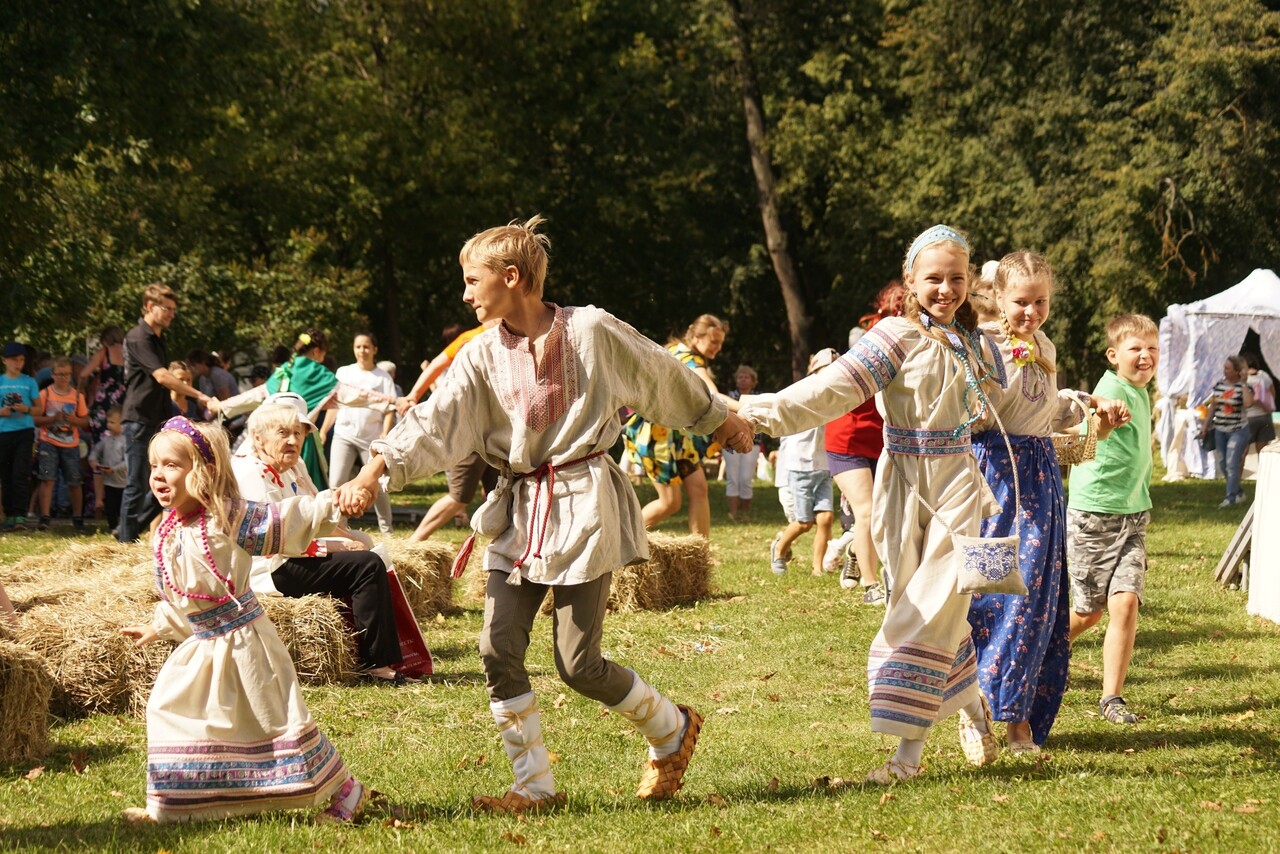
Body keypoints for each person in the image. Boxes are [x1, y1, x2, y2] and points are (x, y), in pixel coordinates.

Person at [335, 215, 753, 813]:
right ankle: (534, 787)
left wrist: (721, 417)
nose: (465, 292)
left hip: (583, 504)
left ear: (512, 277)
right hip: (518, 511)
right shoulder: (481, 356)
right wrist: (375, 469)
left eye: (472, 279)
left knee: (578, 665)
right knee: (495, 646)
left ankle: (671, 727)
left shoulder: (590, 331)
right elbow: (435, 420)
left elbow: (659, 373)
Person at [739, 224, 1004, 784]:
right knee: (925, 605)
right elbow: (829, 391)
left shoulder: (975, 343)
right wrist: (751, 411)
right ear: (911, 279)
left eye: (957, 278)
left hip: (958, 485)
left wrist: (1079, 413)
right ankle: (974, 705)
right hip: (902, 486)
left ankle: (906, 760)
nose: (946, 289)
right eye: (933, 278)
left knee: (928, 610)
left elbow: (1009, 417)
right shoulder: (893, 338)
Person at [118, 417, 369, 824]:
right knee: (169, 708)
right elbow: (183, 596)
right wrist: (159, 624)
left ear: (203, 471)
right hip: (203, 645)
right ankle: (169, 806)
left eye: (171, 466)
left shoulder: (226, 518)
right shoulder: (165, 531)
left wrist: (333, 500)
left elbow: (286, 517)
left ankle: (347, 793)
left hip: (245, 641)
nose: (159, 476)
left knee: (276, 721)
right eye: (154, 467)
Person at [966, 252, 1130, 753]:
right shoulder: (982, 347)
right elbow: (979, 414)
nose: (1031, 312)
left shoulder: (1044, 345)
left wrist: (1087, 407)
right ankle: (980, 711)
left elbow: (1044, 409)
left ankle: (1021, 721)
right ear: (998, 297)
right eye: (1021, 302)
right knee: (994, 592)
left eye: (1041, 302)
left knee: (1039, 600)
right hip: (997, 475)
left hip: (1039, 480)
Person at [233, 396, 405, 682]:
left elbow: (311, 516)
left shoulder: (287, 465)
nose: (293, 440)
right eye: (283, 433)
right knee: (366, 565)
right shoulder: (251, 474)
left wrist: (345, 530)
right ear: (258, 438)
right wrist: (337, 544)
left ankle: (380, 647)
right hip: (269, 570)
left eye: (298, 433)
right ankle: (376, 662)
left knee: (364, 546)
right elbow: (275, 540)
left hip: (288, 555)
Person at [1066, 314, 1160, 725]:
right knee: (1087, 613)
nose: (1145, 356)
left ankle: (1111, 698)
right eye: (1135, 348)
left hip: (1134, 513)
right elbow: (1096, 415)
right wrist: (1105, 415)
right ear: (1113, 355)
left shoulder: (1142, 391)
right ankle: (1042, 650)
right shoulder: (1112, 389)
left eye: (1152, 348)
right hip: (1095, 513)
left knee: (1124, 604)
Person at [219, 330, 393, 490]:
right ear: (317, 351)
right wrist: (391, 401)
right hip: (299, 440)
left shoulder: (284, 370)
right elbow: (351, 394)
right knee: (305, 486)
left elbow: (255, 395)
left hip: (270, 440)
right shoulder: (315, 372)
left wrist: (222, 405)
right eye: (323, 355)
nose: (322, 360)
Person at [118, 284, 216, 543]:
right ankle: (124, 542)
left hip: (155, 418)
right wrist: (199, 395)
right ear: (150, 307)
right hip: (138, 418)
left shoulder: (157, 338)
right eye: (168, 309)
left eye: (174, 309)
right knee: (137, 484)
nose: (173, 314)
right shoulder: (139, 336)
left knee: (158, 486)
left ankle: (127, 531)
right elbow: (162, 376)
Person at [623, 314, 736, 538]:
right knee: (670, 503)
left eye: (721, 343)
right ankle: (623, 542)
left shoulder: (680, 352)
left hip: (678, 440)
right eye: (714, 341)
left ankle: (700, 554)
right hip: (657, 438)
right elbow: (713, 395)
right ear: (696, 336)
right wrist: (745, 408)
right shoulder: (688, 359)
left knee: (699, 489)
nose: (718, 348)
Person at [396, 321, 501, 543]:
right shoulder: (472, 338)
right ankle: (413, 543)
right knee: (459, 498)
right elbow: (436, 365)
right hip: (470, 433)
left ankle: (502, 552)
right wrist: (413, 396)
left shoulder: (519, 332)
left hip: (498, 436)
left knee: (500, 494)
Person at [768, 349, 838, 577]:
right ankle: (779, 548)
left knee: (826, 518)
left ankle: (817, 568)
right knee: (804, 523)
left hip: (823, 466)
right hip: (799, 467)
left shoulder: (838, 397)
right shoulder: (801, 394)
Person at [322, 333, 397, 535]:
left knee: (378, 486)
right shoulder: (343, 373)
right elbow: (334, 405)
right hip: (344, 435)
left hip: (371, 440)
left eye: (366, 347)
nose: (362, 351)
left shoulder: (383, 377)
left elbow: (390, 408)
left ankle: (386, 531)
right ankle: (337, 527)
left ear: (374, 350)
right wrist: (324, 430)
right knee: (336, 482)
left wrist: (384, 434)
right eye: (358, 347)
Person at [32, 357, 91, 531]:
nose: (63, 378)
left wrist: (74, 420)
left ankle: (77, 517)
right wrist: (51, 419)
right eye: (59, 374)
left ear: (71, 375)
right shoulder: (45, 394)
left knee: (74, 481)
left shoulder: (77, 396)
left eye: (66, 374)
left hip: (70, 443)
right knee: (47, 479)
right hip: (48, 441)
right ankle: (44, 517)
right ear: (53, 374)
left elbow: (86, 420)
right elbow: (35, 419)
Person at [1199, 355, 1254, 508]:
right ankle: (1239, 492)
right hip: (1220, 430)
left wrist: (1243, 383)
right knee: (1223, 463)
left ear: (1238, 371)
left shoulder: (1245, 388)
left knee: (1231, 463)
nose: (1225, 371)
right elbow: (1213, 406)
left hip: (1238, 430)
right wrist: (1205, 425)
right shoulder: (1219, 385)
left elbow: (1249, 403)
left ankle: (1230, 498)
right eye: (1225, 368)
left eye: (1228, 368)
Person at [0, 341, 39, 531]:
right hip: (4, 432)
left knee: (20, 473)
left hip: (24, 431)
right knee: (6, 475)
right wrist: (2, 412)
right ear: (4, 360)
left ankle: (20, 516)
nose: (18, 363)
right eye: (14, 360)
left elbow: (40, 408)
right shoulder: (0, 381)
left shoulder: (29, 381)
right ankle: (9, 514)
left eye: (21, 359)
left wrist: (28, 408)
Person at [723, 364, 762, 522]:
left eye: (746, 377)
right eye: (740, 377)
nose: (743, 380)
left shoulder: (758, 397)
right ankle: (732, 513)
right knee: (732, 476)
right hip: (730, 442)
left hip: (753, 441)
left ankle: (745, 512)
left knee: (746, 477)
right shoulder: (730, 395)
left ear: (753, 381)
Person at [80, 325, 127, 444]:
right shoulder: (129, 354)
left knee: (100, 436)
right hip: (123, 402)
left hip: (103, 401)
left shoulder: (104, 353)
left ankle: (98, 461)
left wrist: (81, 390)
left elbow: (83, 374)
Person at [89, 406, 127, 533]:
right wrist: (93, 460)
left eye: (112, 422)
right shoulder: (106, 440)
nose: (108, 425)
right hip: (109, 481)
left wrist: (114, 469)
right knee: (110, 506)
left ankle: (123, 527)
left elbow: (127, 462)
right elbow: (95, 450)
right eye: (107, 422)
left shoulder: (125, 441)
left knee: (122, 506)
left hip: (123, 482)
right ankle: (112, 527)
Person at [1242, 352, 1276, 455]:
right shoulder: (1264, 375)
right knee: (1262, 452)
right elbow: (1272, 394)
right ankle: (1262, 471)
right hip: (1265, 417)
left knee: (1242, 451)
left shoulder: (1243, 379)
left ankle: (1238, 471)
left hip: (1247, 418)